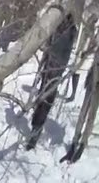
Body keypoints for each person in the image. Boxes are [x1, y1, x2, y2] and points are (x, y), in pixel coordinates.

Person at [26, 12, 79, 149]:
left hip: (53, 68)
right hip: (55, 68)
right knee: (45, 99)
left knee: (45, 99)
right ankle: (35, 128)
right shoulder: (70, 29)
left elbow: (52, 46)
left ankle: (35, 129)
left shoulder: (63, 28)